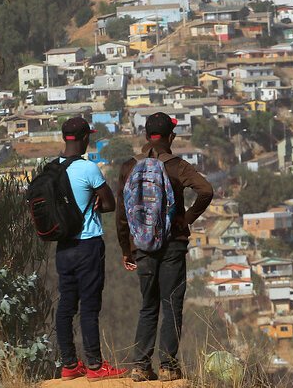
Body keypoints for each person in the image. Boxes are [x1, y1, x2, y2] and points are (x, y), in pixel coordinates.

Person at [117, 112, 214, 382]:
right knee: (171, 304)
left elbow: (122, 216)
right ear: (171, 137)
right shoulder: (177, 166)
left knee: (148, 306)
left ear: (148, 136)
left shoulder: (129, 167)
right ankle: (169, 367)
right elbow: (205, 190)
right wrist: (186, 219)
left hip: (143, 248)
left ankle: (140, 365)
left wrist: (127, 249)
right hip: (173, 245)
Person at [54, 117, 128, 381]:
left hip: (63, 247)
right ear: (85, 138)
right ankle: (95, 366)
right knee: (89, 306)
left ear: (65, 138)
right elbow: (109, 205)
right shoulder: (89, 169)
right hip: (88, 245)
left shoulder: (51, 169)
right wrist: (96, 198)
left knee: (66, 305)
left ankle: (69, 365)